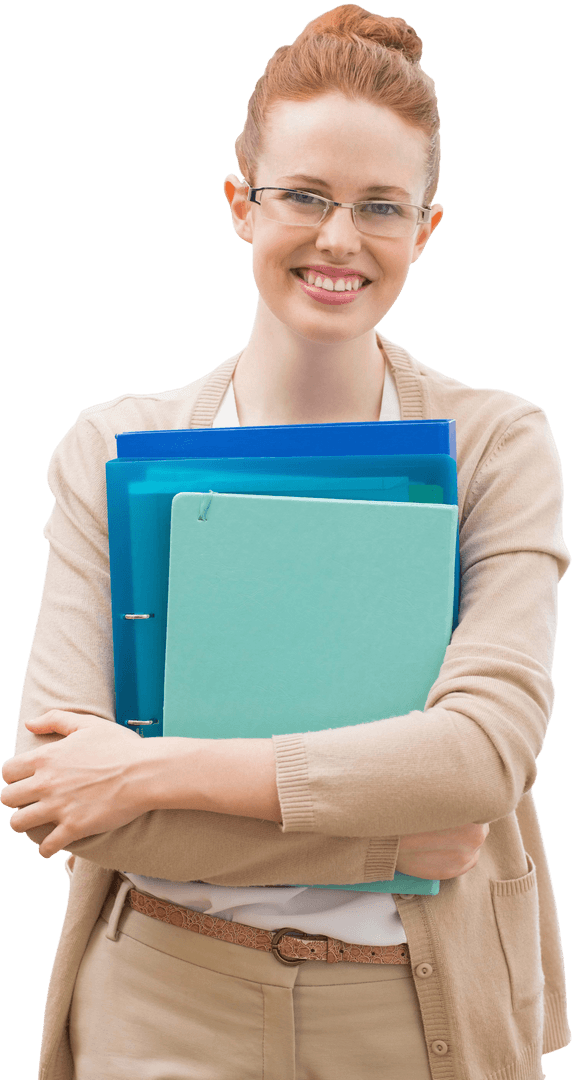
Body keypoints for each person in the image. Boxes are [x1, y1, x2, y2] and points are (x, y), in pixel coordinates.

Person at [1, 5, 570, 1078]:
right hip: (158, 1004)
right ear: (239, 205)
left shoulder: (498, 444)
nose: (338, 240)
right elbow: (65, 793)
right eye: (302, 196)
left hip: (410, 1009)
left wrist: (155, 771)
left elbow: (481, 758)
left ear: (426, 228)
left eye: (379, 207)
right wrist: (385, 845)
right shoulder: (110, 447)